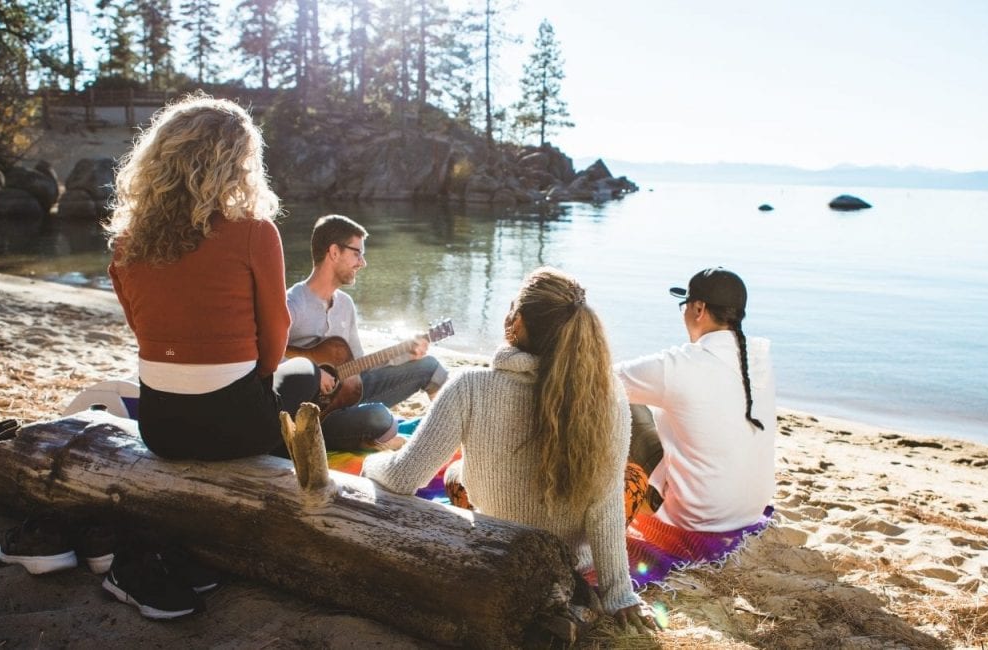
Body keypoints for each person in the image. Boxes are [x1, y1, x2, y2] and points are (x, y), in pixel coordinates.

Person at [102, 94, 323, 619]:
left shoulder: (127, 241)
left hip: (160, 428)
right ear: (238, 164)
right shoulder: (254, 233)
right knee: (304, 372)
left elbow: (142, 330)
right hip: (237, 429)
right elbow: (275, 338)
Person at [361, 267, 657, 633]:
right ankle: (568, 602)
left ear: (515, 321)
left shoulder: (469, 387)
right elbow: (605, 504)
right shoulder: (608, 397)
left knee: (455, 473)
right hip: (568, 561)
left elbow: (403, 479)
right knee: (623, 479)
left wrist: (373, 464)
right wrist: (619, 594)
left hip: (499, 547)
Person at [615, 267, 777, 533]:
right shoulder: (760, 359)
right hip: (749, 510)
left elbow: (600, 379)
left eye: (685, 305)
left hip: (691, 517)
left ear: (699, 309)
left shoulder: (678, 366)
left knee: (623, 400)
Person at [285, 214, 447, 451]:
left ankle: (445, 440)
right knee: (379, 417)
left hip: (350, 394)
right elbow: (263, 359)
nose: (363, 262)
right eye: (357, 253)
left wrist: (405, 352)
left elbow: (360, 365)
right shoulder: (292, 304)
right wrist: (311, 373)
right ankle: (368, 437)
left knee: (430, 367)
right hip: (315, 418)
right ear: (334, 252)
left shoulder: (345, 305)